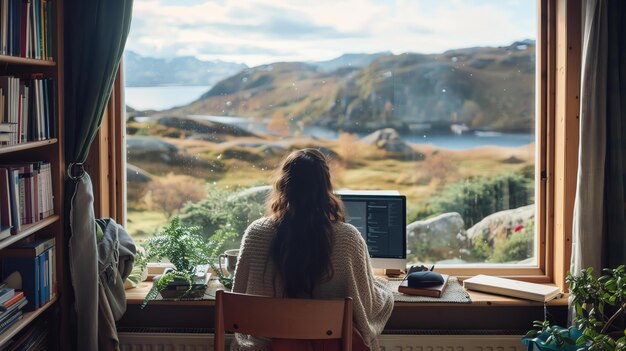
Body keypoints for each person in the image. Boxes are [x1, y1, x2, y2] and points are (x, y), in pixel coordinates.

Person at [231, 148, 394, 351]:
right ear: (325, 187)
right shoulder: (347, 238)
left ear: (283, 185)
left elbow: (236, 300)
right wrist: (383, 286)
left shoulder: (256, 234)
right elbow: (367, 308)